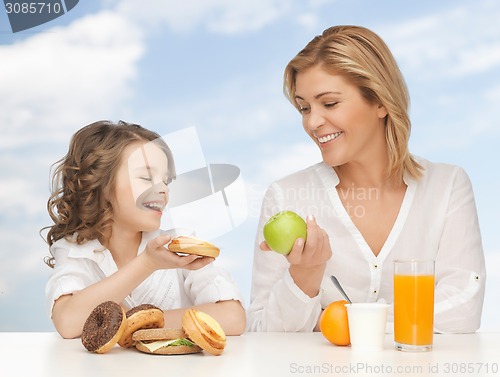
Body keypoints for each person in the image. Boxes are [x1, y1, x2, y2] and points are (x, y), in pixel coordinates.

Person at [247, 25, 486, 333]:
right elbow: (260, 329)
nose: (312, 122)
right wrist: (304, 275)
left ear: (381, 101)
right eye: (304, 108)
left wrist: (340, 322)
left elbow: (463, 309)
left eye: (329, 103)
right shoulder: (286, 195)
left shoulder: (448, 186)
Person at [44, 120, 246, 339]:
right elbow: (68, 322)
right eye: (146, 177)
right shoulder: (74, 250)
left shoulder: (179, 243)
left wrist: (135, 321)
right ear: (101, 185)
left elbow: (233, 317)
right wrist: (147, 263)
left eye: (166, 181)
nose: (162, 190)